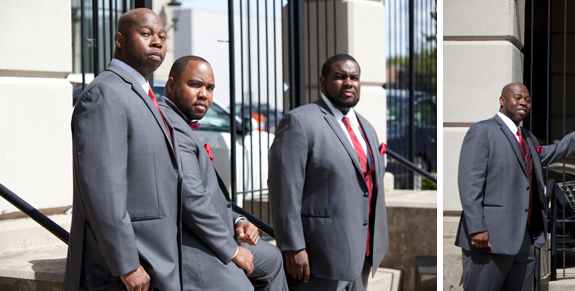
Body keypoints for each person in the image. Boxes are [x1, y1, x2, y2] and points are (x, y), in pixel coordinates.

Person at [66, 8, 180, 291]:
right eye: (146, 33)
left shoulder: (141, 93)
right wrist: (126, 263)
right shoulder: (105, 93)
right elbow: (103, 188)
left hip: (158, 255)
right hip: (123, 270)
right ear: (119, 39)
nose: (157, 41)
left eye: (162, 36)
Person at [160, 55, 288, 291]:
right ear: (171, 85)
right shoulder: (169, 125)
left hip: (217, 230)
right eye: (195, 84)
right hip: (191, 242)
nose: (204, 94)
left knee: (273, 259)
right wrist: (232, 250)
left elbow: (210, 196)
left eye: (209, 88)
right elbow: (193, 201)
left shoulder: (182, 123)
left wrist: (239, 220)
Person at [455, 82, 575, 291]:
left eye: (527, 99)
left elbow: (546, 154)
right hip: (488, 241)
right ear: (502, 101)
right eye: (518, 97)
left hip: (523, 241)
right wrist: (477, 228)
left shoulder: (527, 137)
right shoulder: (482, 131)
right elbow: (469, 183)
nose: (523, 102)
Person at [268, 54, 388, 291]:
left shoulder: (367, 127)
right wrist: (293, 246)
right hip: (319, 257)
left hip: (362, 253)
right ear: (323, 82)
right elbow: (285, 189)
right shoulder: (299, 122)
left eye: (354, 77)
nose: (348, 83)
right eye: (340, 76)